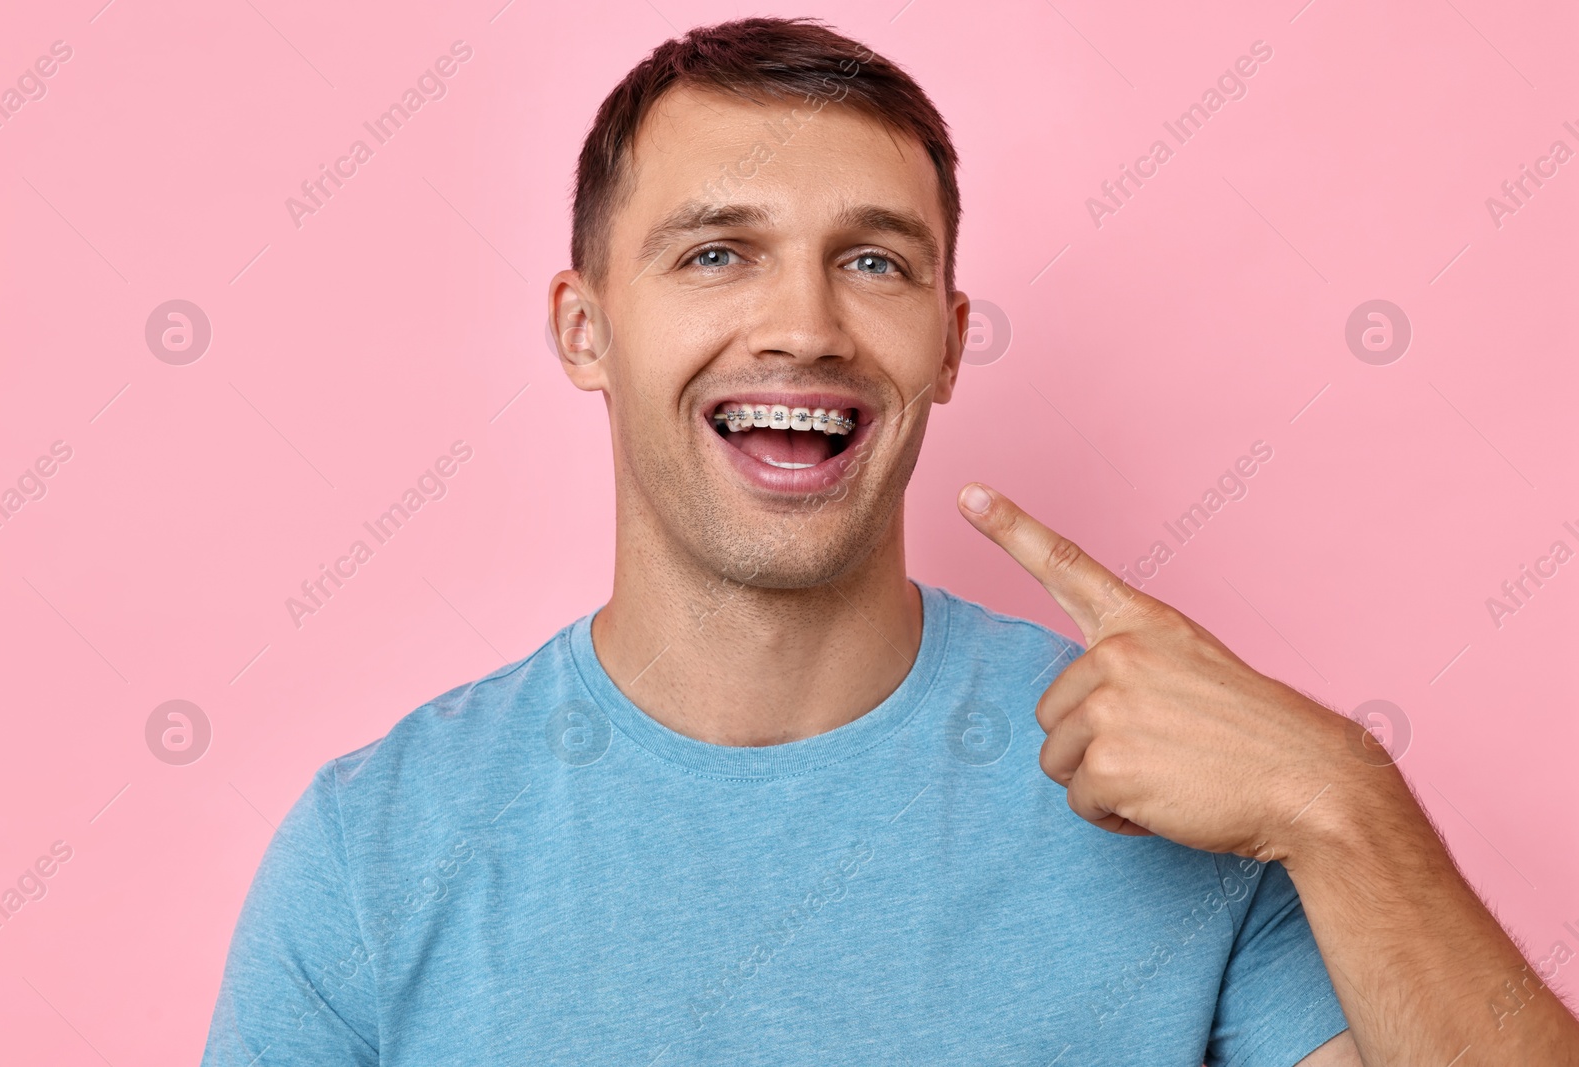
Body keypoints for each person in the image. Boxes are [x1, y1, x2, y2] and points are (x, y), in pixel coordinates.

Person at [201, 17, 1579, 1066]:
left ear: (950, 341)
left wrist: (1343, 803)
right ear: (583, 328)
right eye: (715, 253)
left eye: (874, 262)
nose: (805, 324)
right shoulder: (375, 852)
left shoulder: (1180, 798)